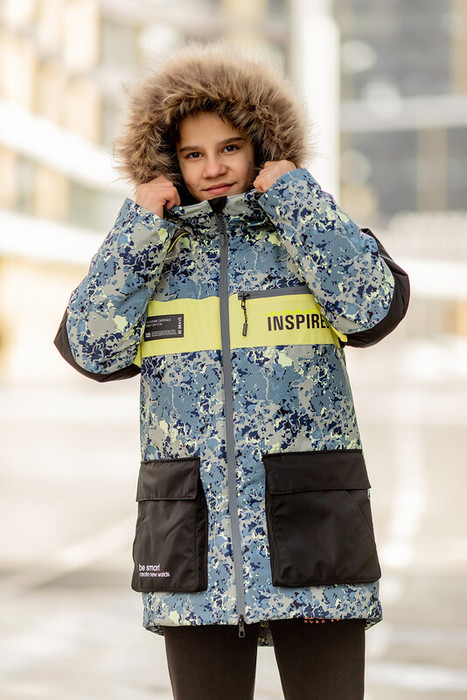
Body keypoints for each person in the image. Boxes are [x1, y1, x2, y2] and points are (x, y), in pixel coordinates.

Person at [55, 43, 409, 700]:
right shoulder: (153, 249)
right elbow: (91, 346)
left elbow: (370, 308)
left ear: (262, 147)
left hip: (311, 524)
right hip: (193, 536)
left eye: (230, 147)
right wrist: (140, 228)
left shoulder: (301, 231)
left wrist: (296, 198)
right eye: (193, 154)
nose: (213, 167)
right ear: (168, 161)